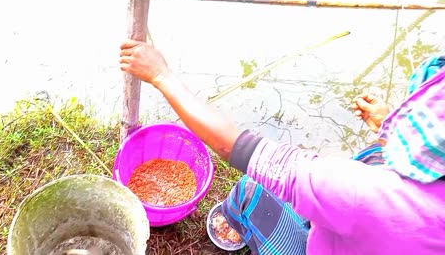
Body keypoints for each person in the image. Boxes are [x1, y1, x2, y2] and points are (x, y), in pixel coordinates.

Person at [119, 39, 445, 255]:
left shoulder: (365, 195)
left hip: (342, 234)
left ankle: (238, 228)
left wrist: (161, 75)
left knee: (250, 188)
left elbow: (237, 147)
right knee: (376, 154)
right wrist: (390, 126)